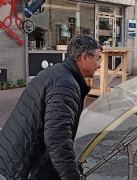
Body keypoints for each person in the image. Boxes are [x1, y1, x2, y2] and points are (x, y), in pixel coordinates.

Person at [0, 34, 102, 180]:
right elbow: (57, 139)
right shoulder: (65, 85)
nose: (99, 65)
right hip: (26, 167)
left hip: (14, 156)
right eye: (98, 58)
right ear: (85, 57)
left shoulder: (57, 73)